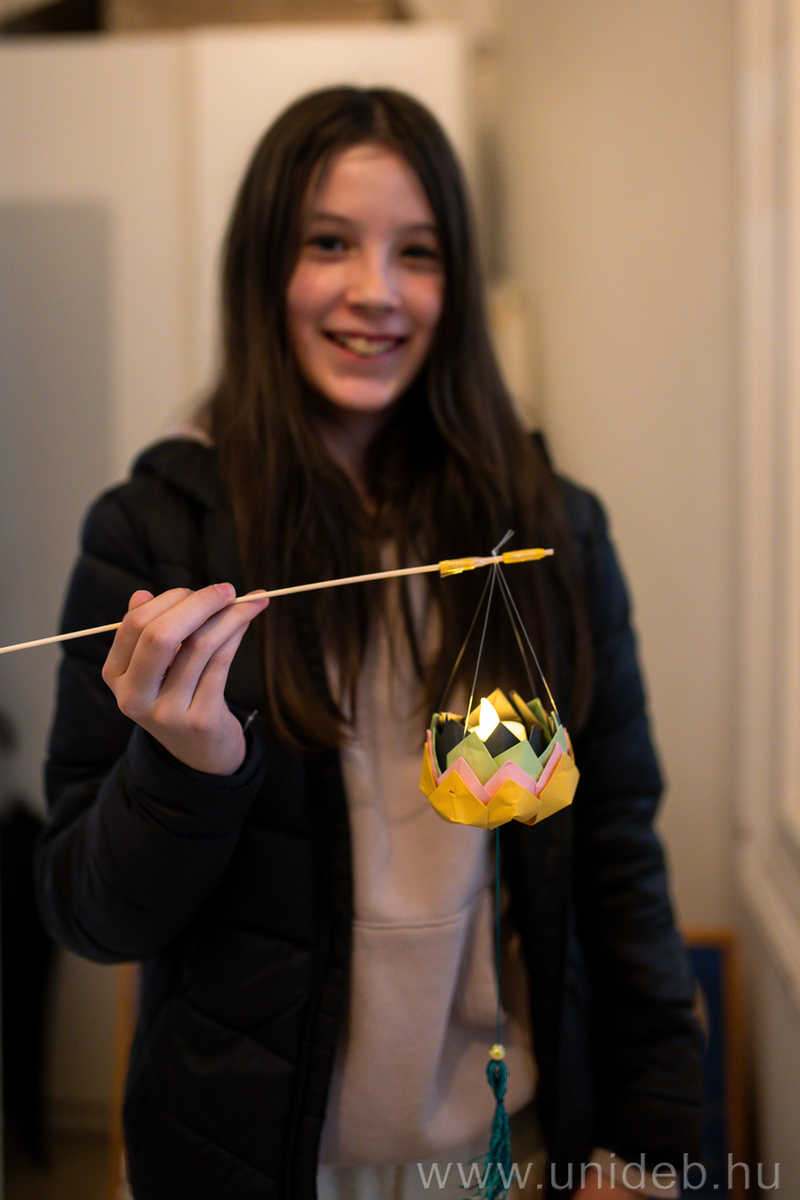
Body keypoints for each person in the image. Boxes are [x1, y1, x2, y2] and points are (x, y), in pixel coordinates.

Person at [35, 86, 704, 1200]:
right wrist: (185, 771)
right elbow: (90, 916)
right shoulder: (152, 533)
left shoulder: (552, 531)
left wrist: (652, 1146)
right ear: (263, 266)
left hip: (508, 1154)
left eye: (418, 251)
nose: (376, 291)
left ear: (459, 281)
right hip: (246, 1162)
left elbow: (619, 860)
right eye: (329, 243)